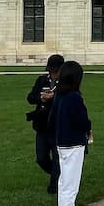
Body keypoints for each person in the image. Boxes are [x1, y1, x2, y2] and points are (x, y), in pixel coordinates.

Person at [48, 60, 91, 206]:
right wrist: (88, 128)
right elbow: (82, 121)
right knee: (70, 186)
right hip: (73, 144)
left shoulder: (59, 95)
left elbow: (52, 120)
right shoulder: (74, 97)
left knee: (63, 183)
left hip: (62, 143)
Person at [26, 52, 64, 194]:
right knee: (41, 158)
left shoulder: (66, 84)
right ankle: (59, 175)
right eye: (51, 71)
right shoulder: (42, 81)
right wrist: (41, 98)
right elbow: (30, 97)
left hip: (57, 126)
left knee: (57, 159)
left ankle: (54, 187)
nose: (53, 74)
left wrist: (54, 98)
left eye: (55, 71)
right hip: (42, 125)